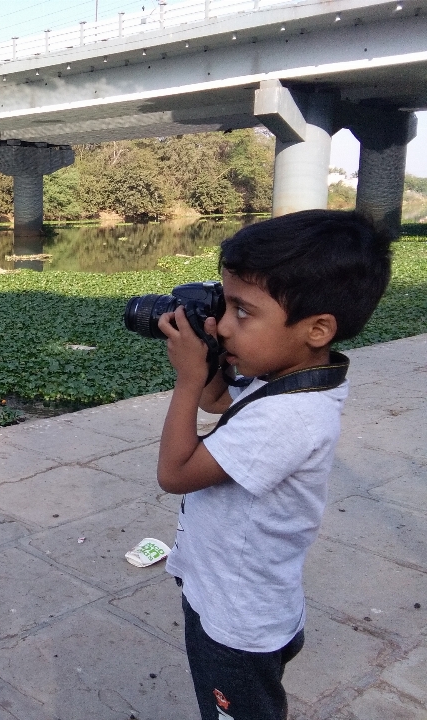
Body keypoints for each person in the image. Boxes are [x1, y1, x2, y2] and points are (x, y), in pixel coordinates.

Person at [155, 210, 392, 720]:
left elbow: (174, 474)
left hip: (237, 622)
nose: (223, 323)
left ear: (317, 328)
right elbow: (222, 403)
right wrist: (213, 355)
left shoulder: (290, 417)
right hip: (231, 592)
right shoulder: (292, 374)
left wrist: (186, 379)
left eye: (243, 311)